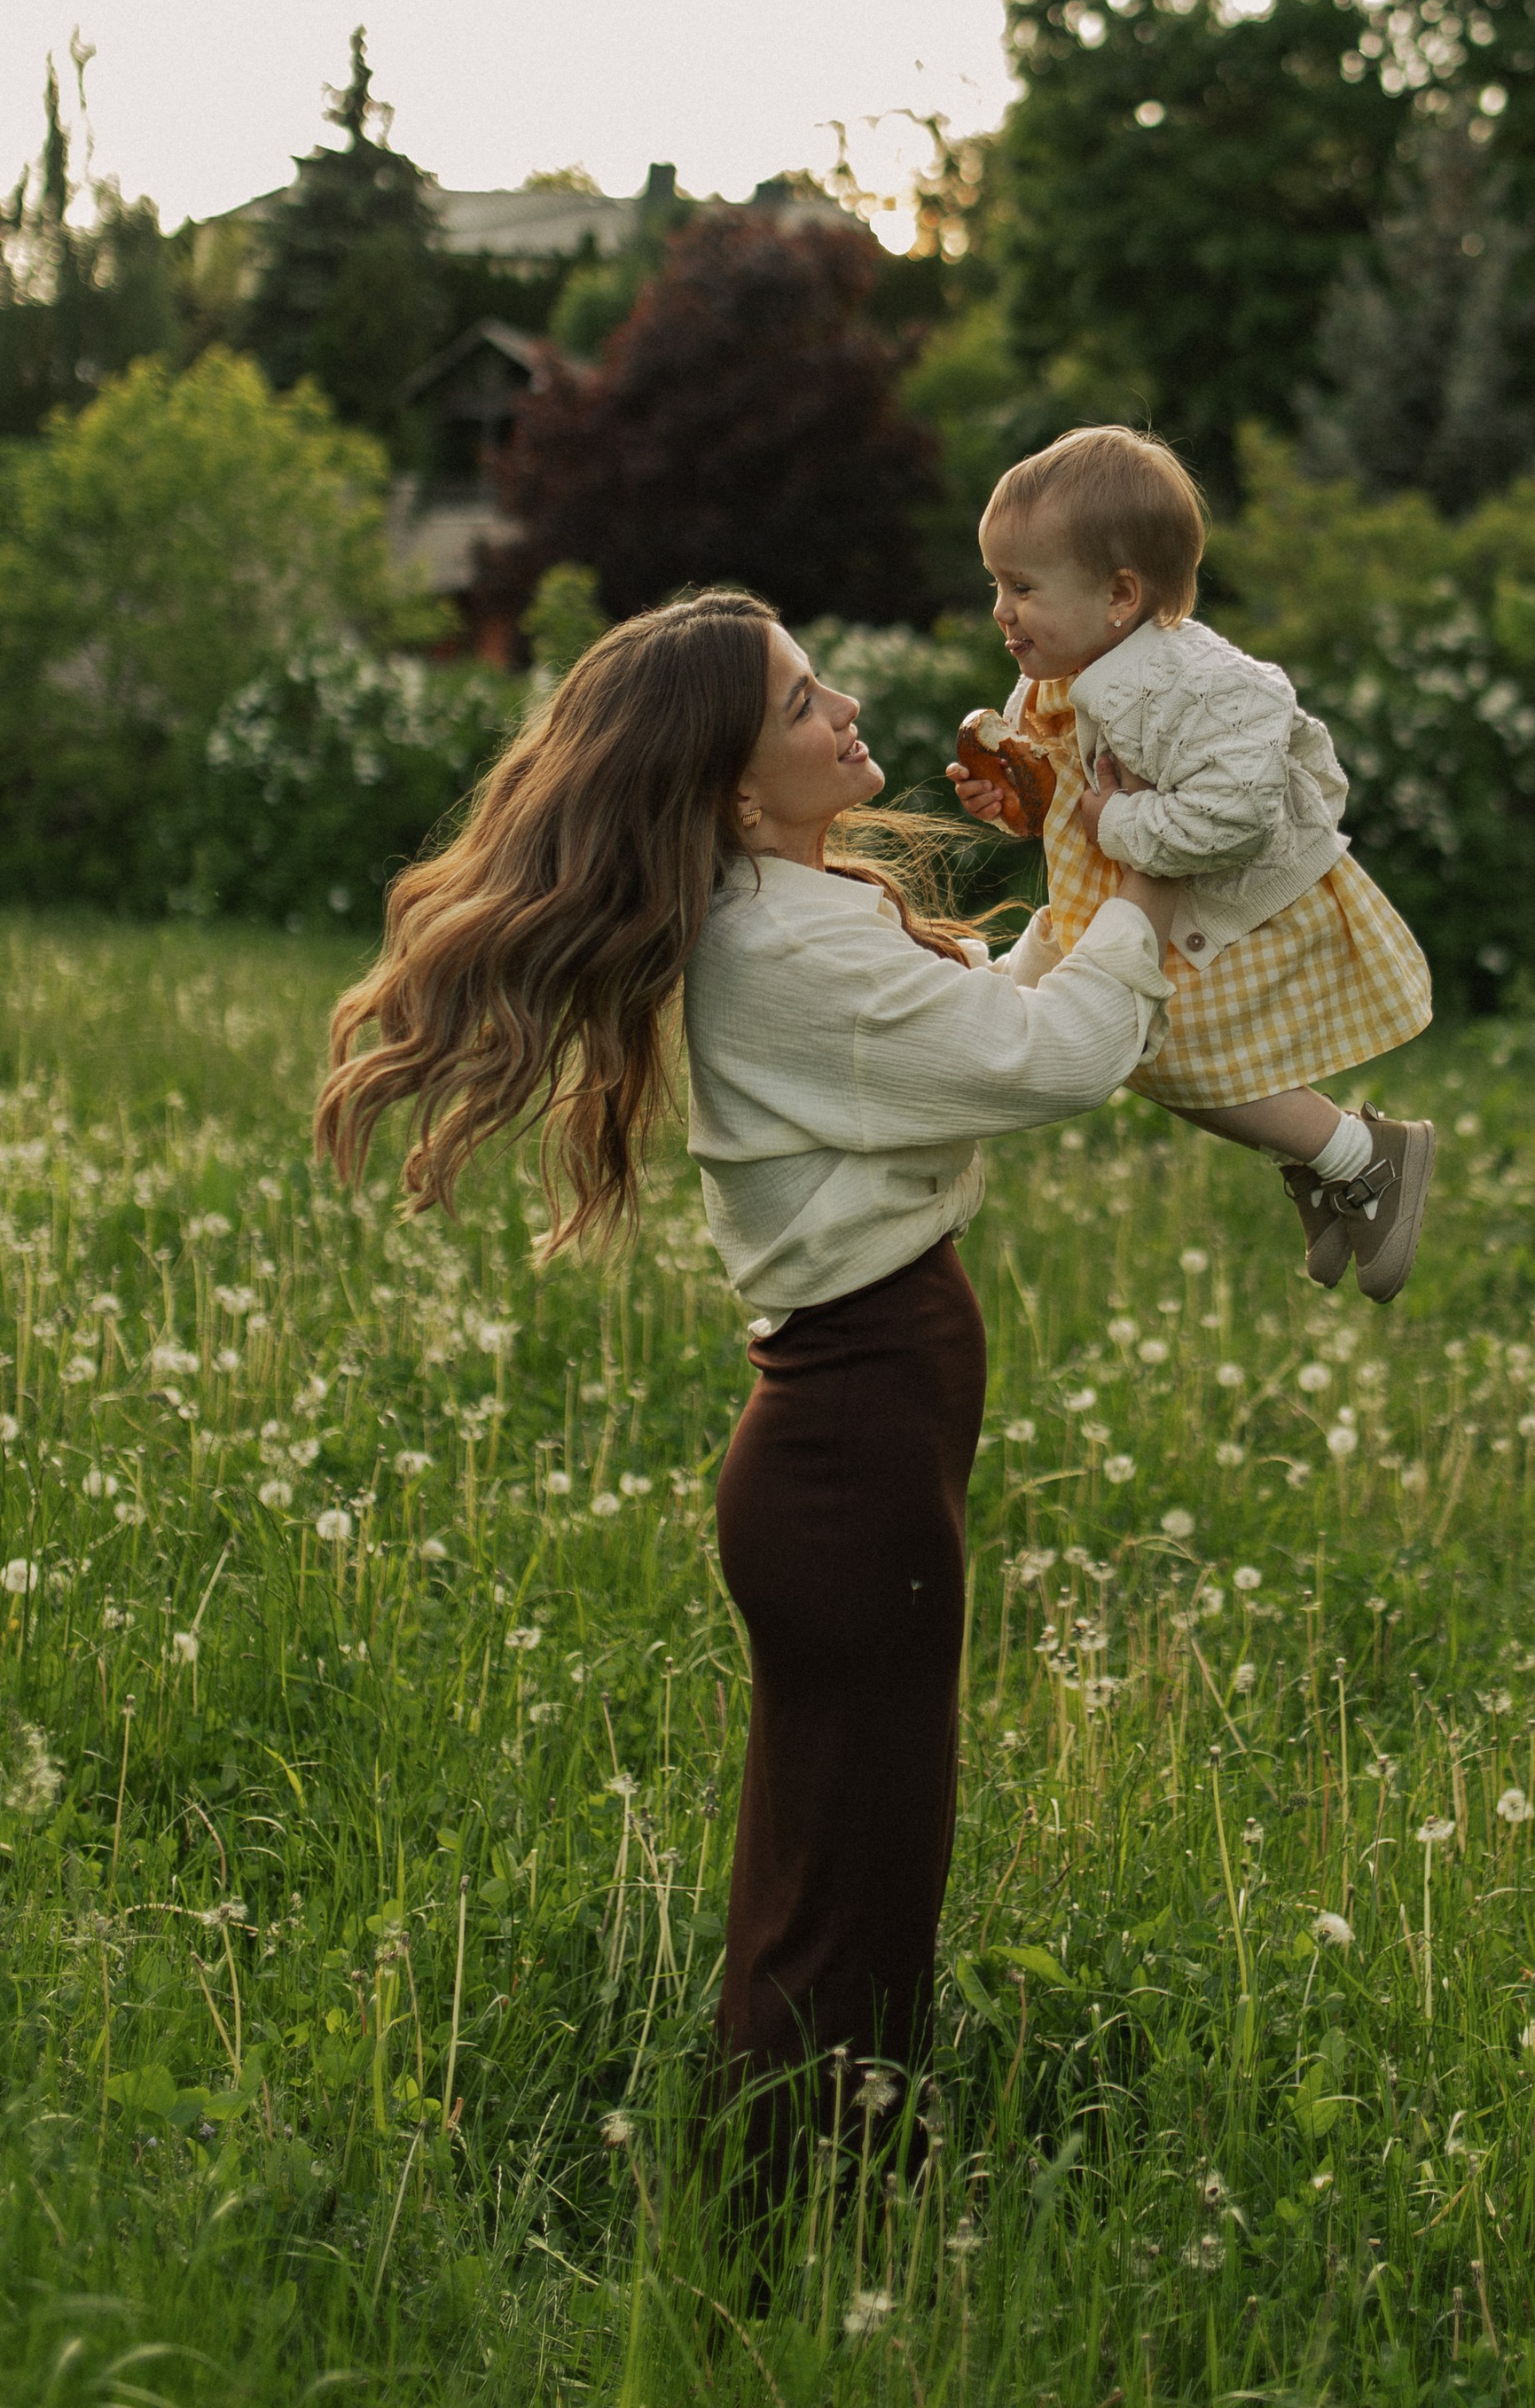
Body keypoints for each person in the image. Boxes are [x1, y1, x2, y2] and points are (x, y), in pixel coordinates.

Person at [312, 584, 1180, 2211]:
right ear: (726, 785)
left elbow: (1001, 1016)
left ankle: (790, 2201)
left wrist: (1089, 888)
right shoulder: (784, 948)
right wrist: (1136, 872)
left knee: (845, 1865)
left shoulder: (802, 917)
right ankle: (800, 2230)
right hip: (850, 1445)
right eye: (798, 703)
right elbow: (1056, 1062)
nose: (841, 707)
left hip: (859, 1436)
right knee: (854, 1882)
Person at [948, 424, 1436, 1302]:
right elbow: (1067, 800)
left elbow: (1235, 818)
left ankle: (1364, 1159)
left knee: (1174, 1059)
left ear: (1119, 596)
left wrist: (1122, 821)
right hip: (1101, 904)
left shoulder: (1202, 684)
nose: (1000, 609)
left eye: (1021, 586)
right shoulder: (1061, 668)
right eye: (996, 583)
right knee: (1034, 1030)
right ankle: (1328, 1159)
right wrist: (1019, 806)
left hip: (1229, 906)